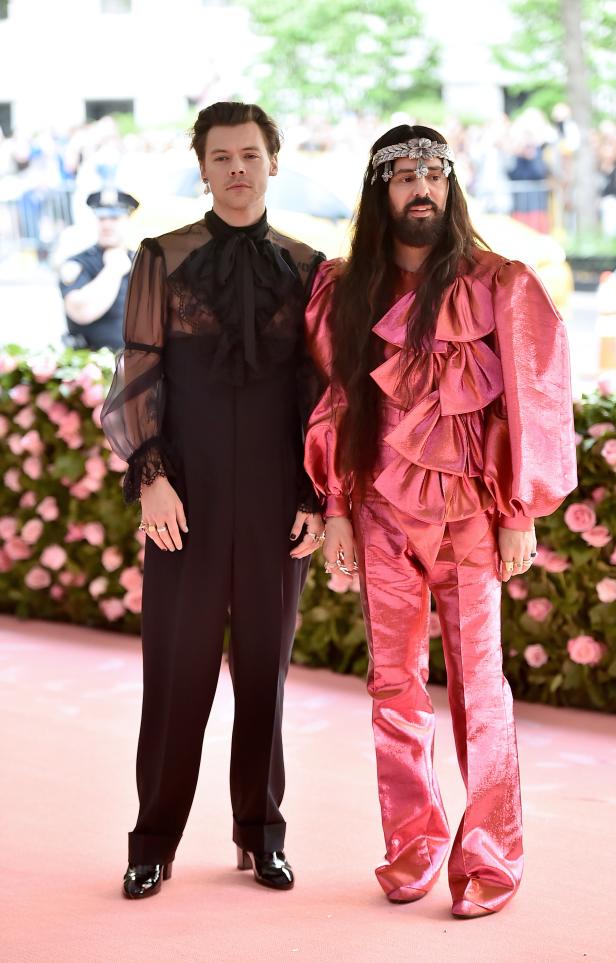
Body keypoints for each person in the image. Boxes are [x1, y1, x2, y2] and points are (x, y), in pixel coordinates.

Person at [304, 126, 577, 919]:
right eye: (404, 175)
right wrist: (338, 512)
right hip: (382, 517)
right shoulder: (345, 290)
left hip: (470, 523)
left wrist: (520, 509)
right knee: (393, 686)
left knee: (479, 692)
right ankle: (414, 841)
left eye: (435, 172)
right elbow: (335, 407)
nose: (422, 187)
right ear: (379, 190)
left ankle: (491, 854)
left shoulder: (503, 283)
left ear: (452, 186)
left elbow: (536, 397)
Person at [101, 102, 325, 900]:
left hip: (276, 500)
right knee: (176, 671)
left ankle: (262, 834)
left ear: (273, 162)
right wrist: (150, 472)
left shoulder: (310, 265)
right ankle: (151, 839)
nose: (236, 168)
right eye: (221, 156)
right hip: (184, 496)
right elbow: (135, 373)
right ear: (201, 167)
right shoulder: (162, 256)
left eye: (250, 154)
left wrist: (316, 493)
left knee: (266, 668)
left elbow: (320, 394)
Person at [59, 189, 138, 350]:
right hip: (92, 367)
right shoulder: (78, 263)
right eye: (102, 218)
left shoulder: (144, 261)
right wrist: (113, 270)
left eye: (114, 218)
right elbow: (81, 311)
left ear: (128, 220)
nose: (107, 224)